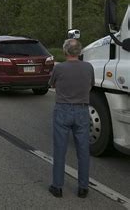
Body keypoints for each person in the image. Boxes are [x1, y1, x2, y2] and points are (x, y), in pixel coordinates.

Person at [48, 39, 94, 199]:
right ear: (79, 52)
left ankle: (57, 186)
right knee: (83, 150)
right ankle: (83, 188)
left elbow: (51, 85)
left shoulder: (59, 68)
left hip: (63, 109)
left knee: (60, 150)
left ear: (65, 51)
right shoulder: (88, 67)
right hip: (82, 110)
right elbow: (90, 85)